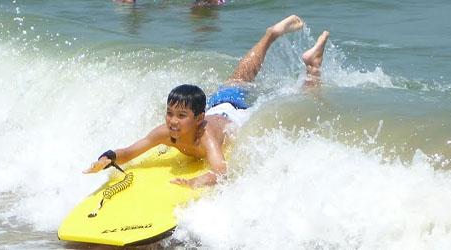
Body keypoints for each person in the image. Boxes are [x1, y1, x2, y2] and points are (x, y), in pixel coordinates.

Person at [84, 15, 330, 188]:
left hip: (235, 114)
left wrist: (196, 181)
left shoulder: (206, 137)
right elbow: (129, 152)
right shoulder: (165, 133)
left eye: (181, 116)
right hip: (219, 103)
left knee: (299, 100)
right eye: (170, 113)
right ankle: (271, 35)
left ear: (198, 118)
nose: (173, 121)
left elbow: (221, 171)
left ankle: (313, 68)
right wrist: (105, 159)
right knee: (240, 76)